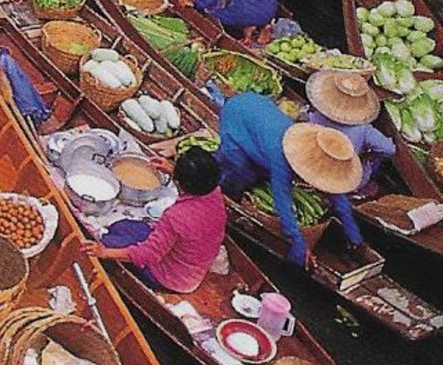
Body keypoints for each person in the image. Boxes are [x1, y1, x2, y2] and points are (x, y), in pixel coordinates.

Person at [216, 92, 368, 269]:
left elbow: (337, 197)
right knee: (239, 171)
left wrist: (353, 235)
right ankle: (226, 198)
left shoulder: (318, 155)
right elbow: (282, 198)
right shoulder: (283, 153)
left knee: (261, 169)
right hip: (237, 115)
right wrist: (297, 241)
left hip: (258, 114)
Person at [86, 148, 228, 293]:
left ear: (179, 182)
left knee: (110, 242)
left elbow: (148, 255)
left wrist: (104, 252)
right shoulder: (214, 191)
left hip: (170, 278)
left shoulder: (176, 217)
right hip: (191, 268)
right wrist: (172, 169)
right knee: (121, 227)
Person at [303, 71, 395, 197]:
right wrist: (368, 157)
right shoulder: (364, 129)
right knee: (374, 160)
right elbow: (389, 149)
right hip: (342, 176)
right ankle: (357, 190)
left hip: (312, 168)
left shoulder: (315, 115)